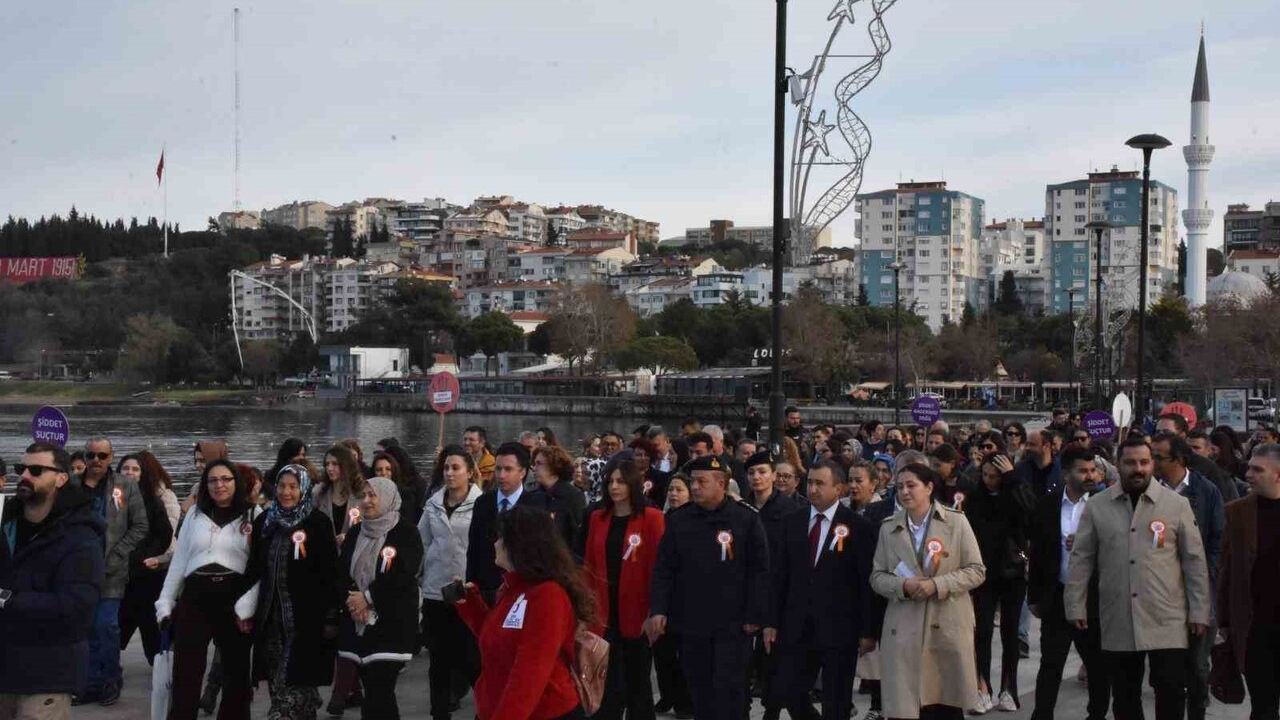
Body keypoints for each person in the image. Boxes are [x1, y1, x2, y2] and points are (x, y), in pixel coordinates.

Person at [1065, 437, 1211, 720]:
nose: (1138, 468)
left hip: (1167, 618)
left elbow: (1195, 562)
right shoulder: (1097, 506)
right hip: (1118, 616)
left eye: (1144, 462)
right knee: (1124, 696)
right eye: (1131, 462)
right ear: (1118, 465)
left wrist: (1200, 610)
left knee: (1169, 692)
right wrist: (1075, 604)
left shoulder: (1176, 505)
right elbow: (1081, 559)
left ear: (1152, 464)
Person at [647, 455, 770, 720]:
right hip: (692, 622)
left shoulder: (745, 519)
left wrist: (754, 614)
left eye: (701, 482)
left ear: (721, 484)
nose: (694, 487)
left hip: (733, 624)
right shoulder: (680, 520)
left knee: (730, 691)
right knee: (699, 690)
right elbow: (664, 568)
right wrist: (659, 608)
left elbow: (759, 571)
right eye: (692, 481)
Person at [764, 459, 880, 720]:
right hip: (796, 626)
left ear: (838, 489)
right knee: (791, 692)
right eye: (810, 482)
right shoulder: (792, 521)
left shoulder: (858, 527)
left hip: (840, 629)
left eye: (820, 483)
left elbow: (865, 583)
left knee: (836, 700)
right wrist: (771, 621)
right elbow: (779, 575)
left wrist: (868, 631)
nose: (813, 489)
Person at [456, 505, 595, 720]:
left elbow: (529, 674)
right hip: (500, 708)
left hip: (542, 712)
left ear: (518, 545)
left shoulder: (548, 596)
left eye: (500, 538)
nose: (495, 543)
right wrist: (470, 604)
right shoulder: (514, 587)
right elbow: (498, 639)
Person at [870, 463, 986, 720]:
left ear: (929, 487)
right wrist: (902, 586)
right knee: (905, 704)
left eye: (911, 485)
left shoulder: (956, 522)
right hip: (903, 628)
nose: (904, 492)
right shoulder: (888, 528)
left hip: (946, 624)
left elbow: (976, 570)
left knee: (944, 703)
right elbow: (877, 577)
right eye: (899, 487)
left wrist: (937, 585)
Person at [0, 443, 105, 720]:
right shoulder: (6, 522)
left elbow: (78, 604)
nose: (25, 476)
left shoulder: (81, 535)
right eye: (21, 469)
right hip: (5, 666)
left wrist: (9, 600)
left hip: (48, 671)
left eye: (36, 470)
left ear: (61, 478)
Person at [156, 460, 258, 720]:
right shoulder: (194, 513)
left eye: (226, 479)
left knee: (236, 672)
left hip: (234, 598)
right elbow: (180, 560)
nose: (219, 485)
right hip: (195, 596)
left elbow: (260, 567)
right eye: (212, 480)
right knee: (186, 671)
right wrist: (165, 601)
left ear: (236, 482)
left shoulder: (254, 514)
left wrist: (247, 606)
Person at [245, 464, 340, 720]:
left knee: (294, 681)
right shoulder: (265, 521)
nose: (286, 492)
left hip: (305, 621)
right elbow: (254, 568)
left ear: (304, 488)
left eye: (293, 486)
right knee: (279, 679)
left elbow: (330, 574)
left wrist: (331, 617)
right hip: (270, 619)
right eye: (281, 486)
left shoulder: (318, 523)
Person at [1027, 446, 1109, 720]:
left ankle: (1096, 714)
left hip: (1093, 599)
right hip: (1056, 597)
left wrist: (1090, 544)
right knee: (1051, 665)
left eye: (1093, 470)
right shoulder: (1047, 505)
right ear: (1066, 474)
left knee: (1097, 666)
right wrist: (1035, 597)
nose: (1090, 476)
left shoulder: (1105, 504)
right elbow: (1037, 552)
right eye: (1083, 471)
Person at [583, 453, 666, 720]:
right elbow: (589, 567)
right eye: (610, 481)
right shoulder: (597, 518)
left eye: (620, 481)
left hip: (637, 613)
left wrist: (655, 611)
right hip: (603, 614)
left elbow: (660, 569)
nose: (615, 487)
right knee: (607, 684)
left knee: (638, 683)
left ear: (632, 484)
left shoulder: (652, 518)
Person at [1152, 432, 1225, 720]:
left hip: (1197, 591)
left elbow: (1218, 540)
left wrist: (1205, 580)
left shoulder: (1206, 491)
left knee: (1196, 666)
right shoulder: (1148, 490)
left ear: (1179, 459)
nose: (1153, 463)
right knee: (1164, 669)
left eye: (1159, 457)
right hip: (1158, 593)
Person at [336, 477, 423, 720]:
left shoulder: (406, 532)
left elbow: (405, 575)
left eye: (373, 495)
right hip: (359, 621)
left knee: (380, 689)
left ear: (387, 498)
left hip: (392, 624)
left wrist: (369, 597)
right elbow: (342, 571)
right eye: (363, 495)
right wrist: (353, 600)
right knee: (372, 691)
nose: (366, 501)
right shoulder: (355, 532)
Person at [75, 437, 147, 706]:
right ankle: (91, 682)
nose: (96, 460)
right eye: (91, 455)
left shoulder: (125, 486)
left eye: (102, 455)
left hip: (112, 570)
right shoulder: (72, 485)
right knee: (86, 628)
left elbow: (140, 525)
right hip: (79, 569)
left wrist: (118, 554)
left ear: (110, 457)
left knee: (106, 625)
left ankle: (111, 678)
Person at [966, 452, 1035, 712]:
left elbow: (1032, 512)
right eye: (985, 475)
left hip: (1013, 570)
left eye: (995, 476)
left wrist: (1012, 479)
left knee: (1010, 632)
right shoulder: (975, 497)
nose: (989, 481)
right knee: (982, 632)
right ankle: (982, 688)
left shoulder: (1016, 491)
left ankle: (1009, 689)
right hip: (983, 572)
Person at [419, 446, 483, 720]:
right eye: (446, 467)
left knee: (471, 660)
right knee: (438, 660)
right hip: (435, 590)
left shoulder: (481, 503)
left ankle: (488, 710)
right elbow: (422, 542)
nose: (449, 473)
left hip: (466, 591)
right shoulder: (433, 503)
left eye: (455, 468)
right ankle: (439, 713)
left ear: (469, 472)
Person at [1217, 444, 1280, 718]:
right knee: (1263, 706)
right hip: (1256, 629)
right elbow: (1226, 570)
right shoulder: (1237, 512)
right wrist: (1224, 622)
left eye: (1257, 469)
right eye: (1249, 467)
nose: (1248, 474)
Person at [466, 442, 548, 603]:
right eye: (498, 469)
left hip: (522, 592)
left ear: (523, 472)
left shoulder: (536, 505)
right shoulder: (483, 502)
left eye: (508, 469)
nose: (501, 475)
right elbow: (473, 547)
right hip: (485, 589)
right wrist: (472, 587)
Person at [117, 452, 177, 667]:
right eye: (126, 468)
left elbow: (164, 534)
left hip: (146, 573)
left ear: (142, 474)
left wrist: (145, 557)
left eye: (135, 469)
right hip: (118, 572)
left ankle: (160, 668)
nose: (130, 473)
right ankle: (106, 670)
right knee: (115, 624)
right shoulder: (110, 499)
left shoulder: (152, 500)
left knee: (150, 624)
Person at [652, 475, 694, 718]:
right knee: (662, 652)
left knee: (683, 654)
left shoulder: (692, 520)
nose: (674, 494)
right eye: (671, 490)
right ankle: (667, 695)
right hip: (663, 595)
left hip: (685, 598)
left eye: (679, 490)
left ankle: (684, 701)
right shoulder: (663, 519)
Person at [1156, 414, 1239, 503]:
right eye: (1157, 432)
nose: (1160, 436)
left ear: (1182, 435)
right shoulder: (1151, 463)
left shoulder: (1207, 469)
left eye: (1166, 432)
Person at [532, 445, 587, 552]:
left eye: (539, 464)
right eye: (534, 464)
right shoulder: (533, 496)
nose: (534, 468)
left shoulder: (573, 496)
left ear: (554, 466)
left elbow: (577, 536)